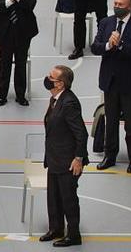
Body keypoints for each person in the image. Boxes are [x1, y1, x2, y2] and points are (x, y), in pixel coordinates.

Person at [91, 0, 131, 173]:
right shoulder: (106, 22)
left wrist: (120, 43)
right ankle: (110, 156)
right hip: (111, 82)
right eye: (115, 3)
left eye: (121, 4)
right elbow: (95, 47)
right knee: (111, 122)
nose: (117, 6)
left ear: (129, 6)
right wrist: (109, 45)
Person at [40, 65, 88, 248]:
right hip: (54, 157)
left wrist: (78, 158)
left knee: (68, 198)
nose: (48, 79)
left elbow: (81, 133)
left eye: (51, 78)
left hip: (68, 161)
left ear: (60, 84)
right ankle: (56, 228)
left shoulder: (69, 103)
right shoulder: (55, 99)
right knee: (53, 196)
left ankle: (74, 234)